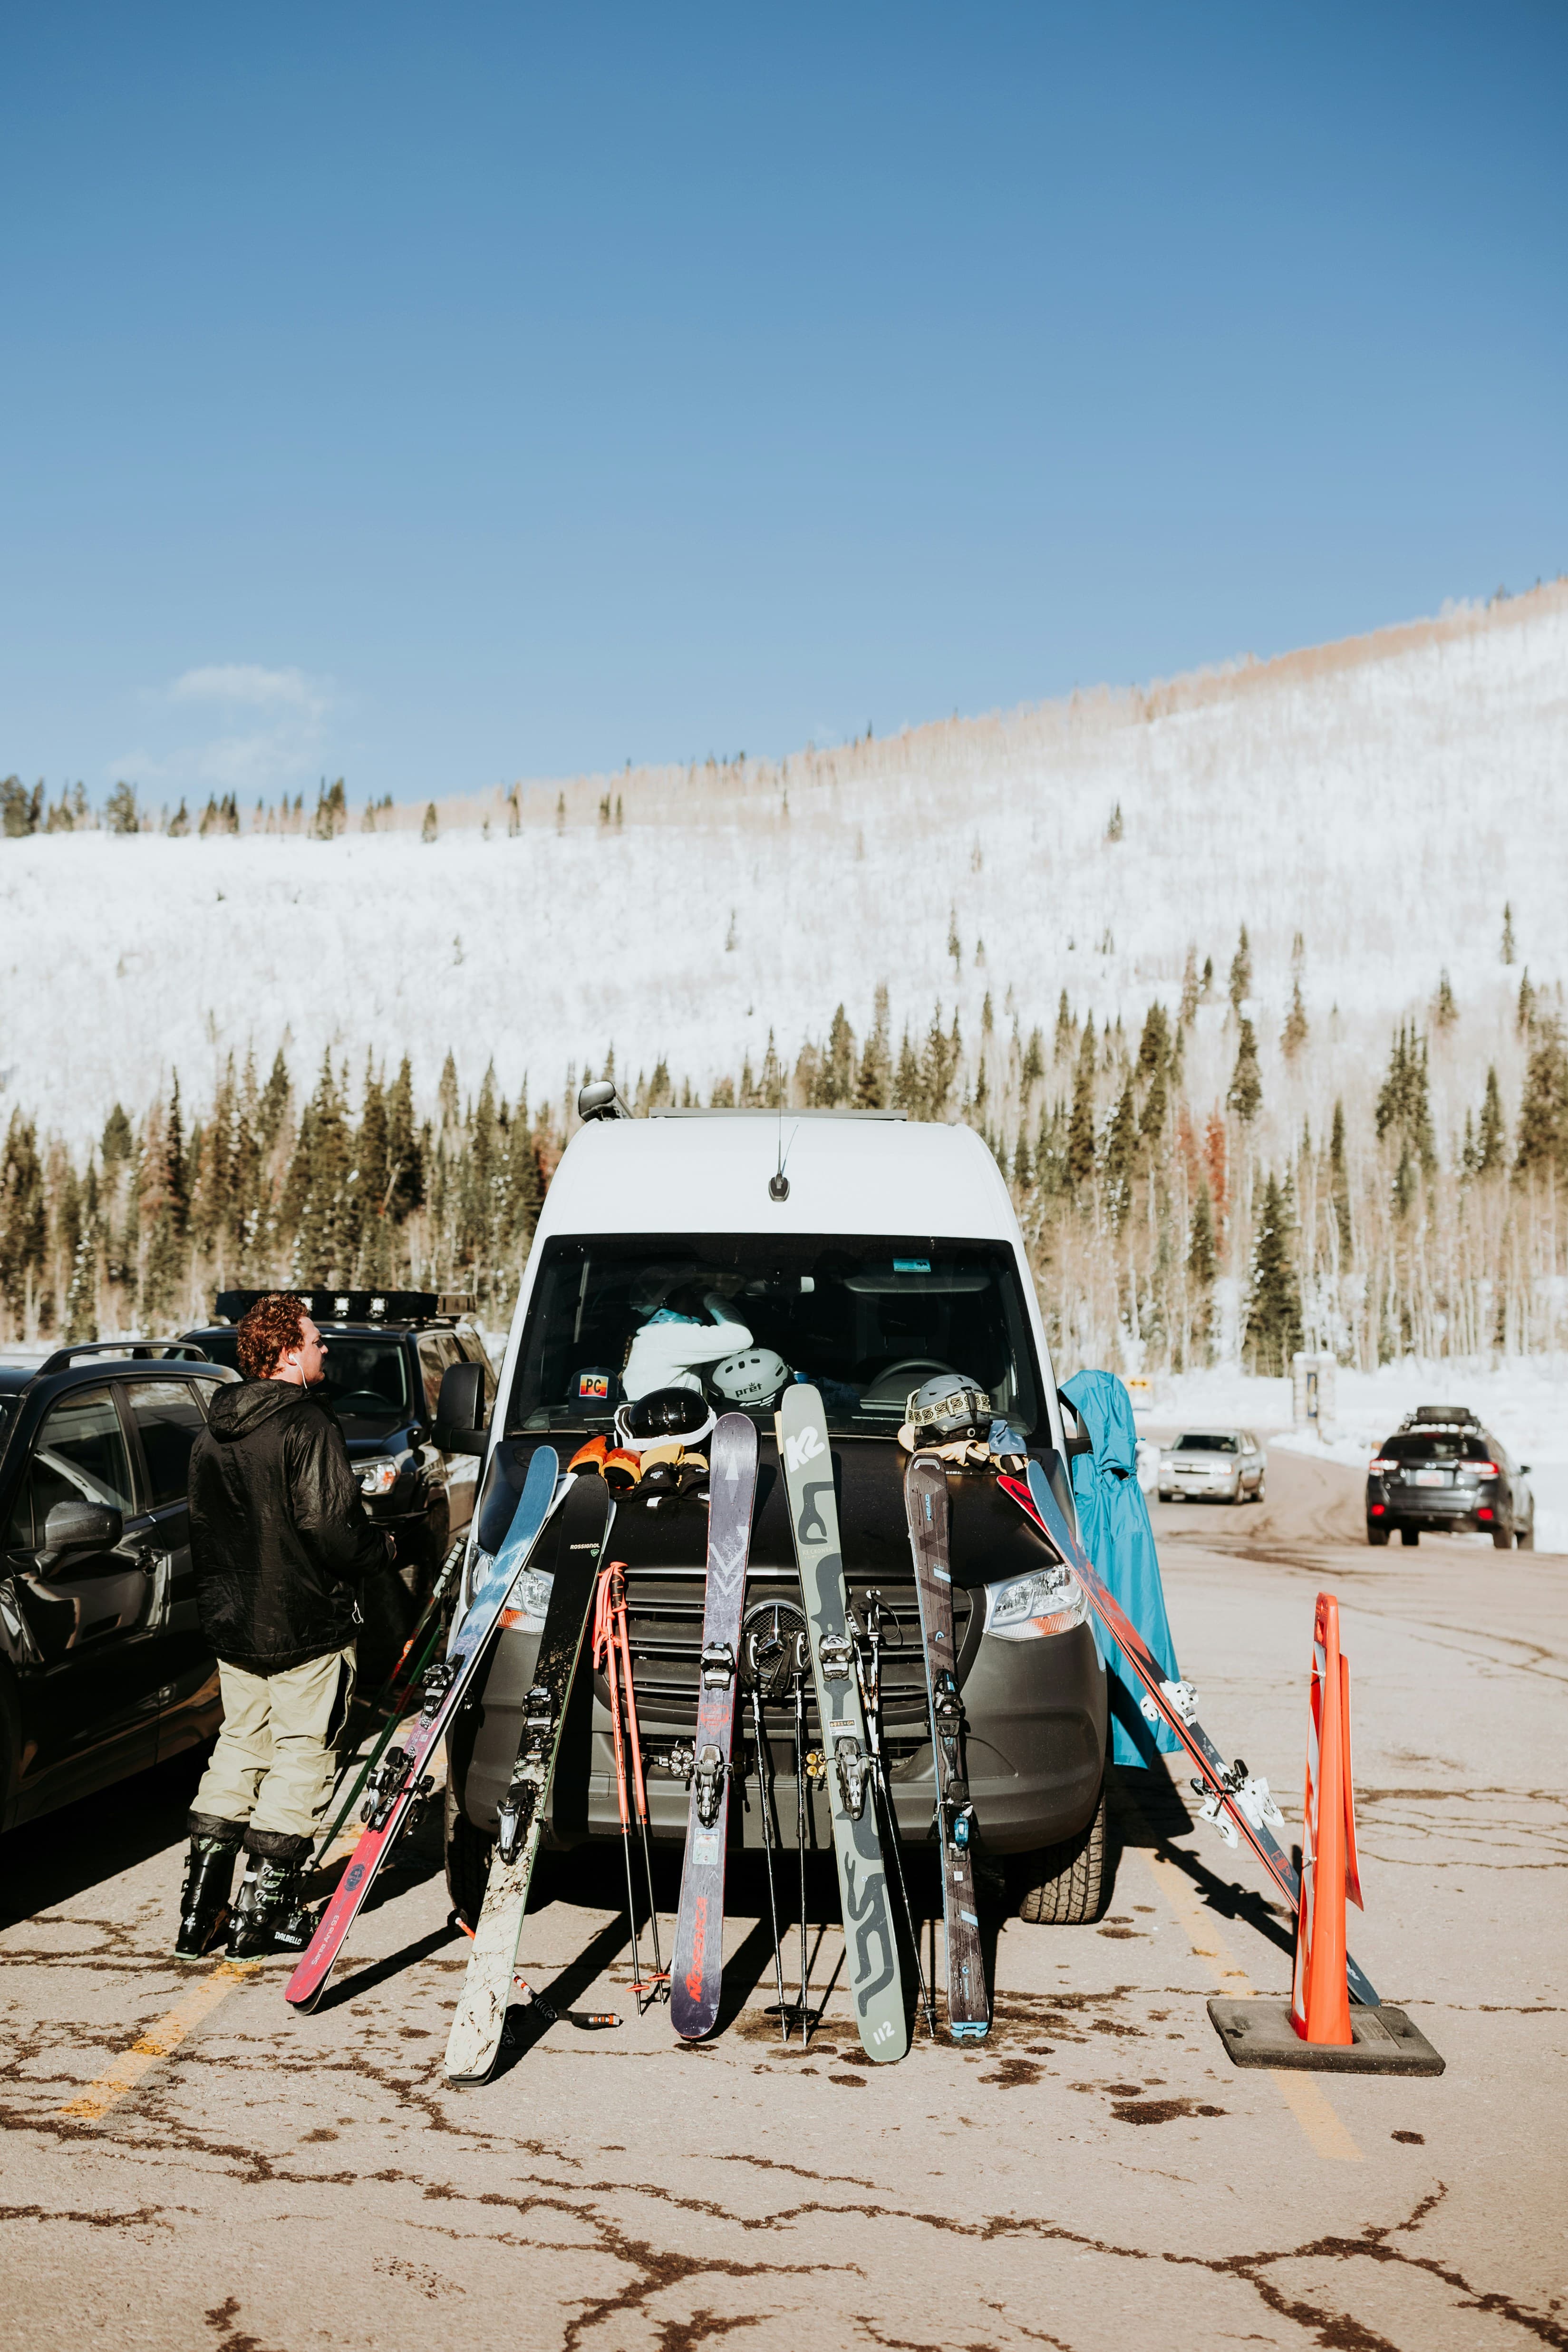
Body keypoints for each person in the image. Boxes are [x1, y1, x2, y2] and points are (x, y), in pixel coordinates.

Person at [175, 1293, 395, 1959]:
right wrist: (379, 1549)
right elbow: (329, 1529)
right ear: (289, 1351)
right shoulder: (307, 1424)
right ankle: (260, 1916)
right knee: (303, 1752)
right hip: (304, 1622)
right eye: (317, 1338)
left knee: (240, 1747)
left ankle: (198, 1915)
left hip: (233, 1621)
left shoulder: (211, 1431)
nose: (325, 1348)